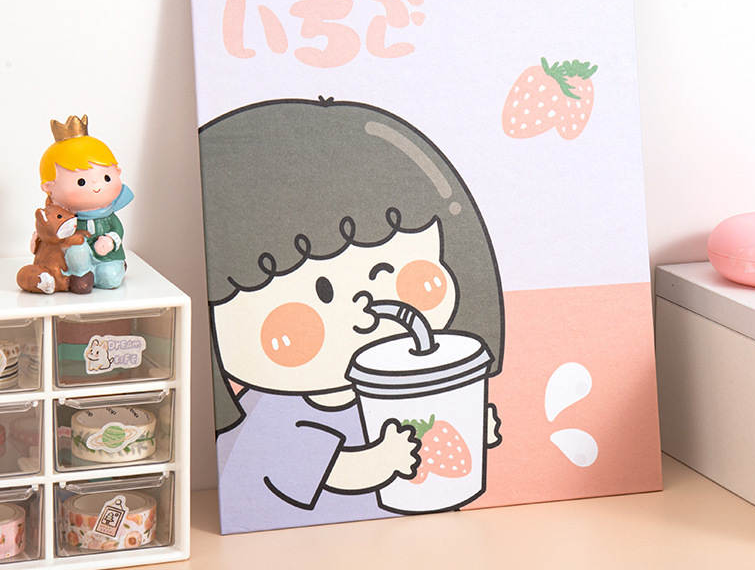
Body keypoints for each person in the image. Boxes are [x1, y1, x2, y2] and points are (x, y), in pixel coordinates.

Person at [199, 98, 504, 532]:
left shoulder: (390, 388)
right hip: (296, 545)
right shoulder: (273, 420)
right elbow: (342, 470)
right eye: (321, 293)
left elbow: (425, 440)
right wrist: (385, 458)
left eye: (388, 274)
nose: (365, 307)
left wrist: (467, 428)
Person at [39, 115, 133, 291]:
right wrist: (39, 237)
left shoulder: (107, 215)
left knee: (109, 278)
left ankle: (116, 268)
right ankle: (80, 276)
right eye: (81, 182)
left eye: (107, 178)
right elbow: (50, 232)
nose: (96, 187)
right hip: (71, 261)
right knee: (76, 248)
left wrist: (110, 241)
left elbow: (117, 229)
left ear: (117, 172)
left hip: (107, 257)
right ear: (49, 188)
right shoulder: (63, 217)